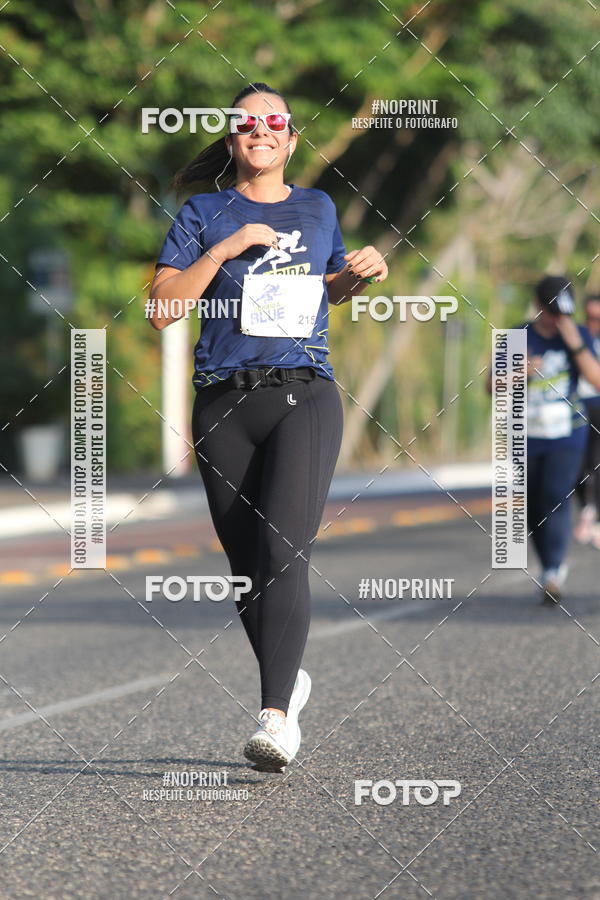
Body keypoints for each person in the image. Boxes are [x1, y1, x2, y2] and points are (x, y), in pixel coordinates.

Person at [148, 82, 388, 770]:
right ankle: (290, 677)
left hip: (304, 396)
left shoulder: (317, 208)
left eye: (273, 121)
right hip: (223, 403)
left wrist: (359, 275)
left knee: (285, 551)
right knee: (247, 567)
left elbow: (327, 288)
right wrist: (222, 251)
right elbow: (162, 308)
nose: (261, 130)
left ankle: (276, 717)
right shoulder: (202, 212)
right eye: (246, 123)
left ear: (290, 138)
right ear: (232, 139)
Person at [523, 276, 600, 603]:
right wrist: (516, 372)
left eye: (564, 314)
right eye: (554, 313)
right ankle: (547, 567)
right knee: (532, 505)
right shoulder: (519, 335)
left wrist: (575, 343)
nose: (559, 320)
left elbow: (596, 380)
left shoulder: (578, 334)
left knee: (557, 495)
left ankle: (554, 571)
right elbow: (489, 386)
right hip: (525, 432)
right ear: (539, 308)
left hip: (568, 430)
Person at [573, 294, 600, 547]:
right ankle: (586, 508)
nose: (594, 322)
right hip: (579, 405)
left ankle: (596, 518)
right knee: (579, 465)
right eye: (590, 317)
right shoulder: (577, 337)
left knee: (597, 462)